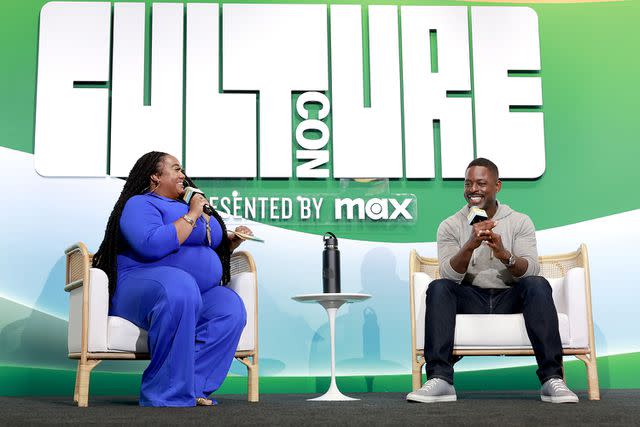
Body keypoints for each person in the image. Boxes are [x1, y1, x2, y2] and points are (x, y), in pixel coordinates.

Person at [406, 158, 579, 404]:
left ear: (497, 186)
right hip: (471, 296)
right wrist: (470, 245)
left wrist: (503, 254)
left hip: (510, 296)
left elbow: (530, 269)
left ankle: (553, 379)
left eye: (480, 183)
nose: (473, 189)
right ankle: (441, 380)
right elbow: (449, 274)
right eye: (468, 184)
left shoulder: (520, 221)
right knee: (438, 287)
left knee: (538, 283)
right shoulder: (450, 225)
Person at [93, 151, 252, 407]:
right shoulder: (140, 204)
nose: (183, 175)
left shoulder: (185, 207)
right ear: (155, 176)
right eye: (176, 169)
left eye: (182, 170)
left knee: (230, 307)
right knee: (179, 287)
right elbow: (151, 244)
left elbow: (201, 251)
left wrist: (229, 244)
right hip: (139, 285)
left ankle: (194, 386)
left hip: (193, 292)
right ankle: (165, 393)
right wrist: (193, 213)